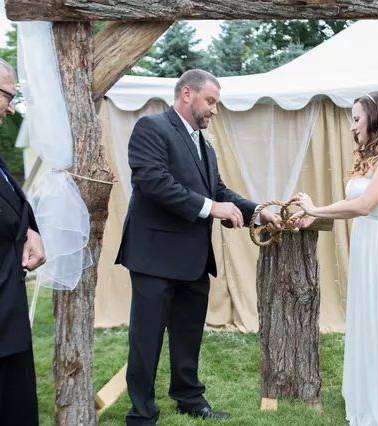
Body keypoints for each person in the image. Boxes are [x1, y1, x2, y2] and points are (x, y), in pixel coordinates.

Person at [116, 69, 280, 425]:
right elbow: (153, 181)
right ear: (186, 93)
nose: (214, 111)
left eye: (216, 104)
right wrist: (209, 208)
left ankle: (189, 397)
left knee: (189, 334)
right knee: (145, 340)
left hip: (192, 260)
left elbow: (218, 191)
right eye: (210, 101)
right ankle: (141, 413)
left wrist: (259, 212)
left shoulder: (204, 146)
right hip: (154, 257)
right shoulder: (152, 128)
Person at [292, 91, 378, 425]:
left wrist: (315, 207)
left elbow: (365, 204)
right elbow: (353, 206)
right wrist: (317, 217)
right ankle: (369, 395)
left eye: (356, 118)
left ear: (376, 117)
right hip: (369, 243)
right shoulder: (372, 155)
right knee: (369, 318)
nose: (352, 126)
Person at [0, 58, 46, 425]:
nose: (11, 107)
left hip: (7, 310)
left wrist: (31, 230)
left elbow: (13, 202)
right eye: (7, 96)